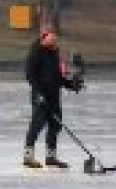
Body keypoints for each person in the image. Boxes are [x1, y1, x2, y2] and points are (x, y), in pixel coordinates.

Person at [23, 27, 82, 169]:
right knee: (36, 125)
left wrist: (71, 85)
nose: (54, 42)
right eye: (51, 39)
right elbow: (30, 76)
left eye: (55, 39)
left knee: (55, 126)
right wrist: (39, 94)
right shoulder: (35, 52)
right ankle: (28, 157)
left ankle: (51, 157)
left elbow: (58, 78)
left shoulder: (54, 54)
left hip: (54, 96)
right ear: (44, 38)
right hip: (41, 96)